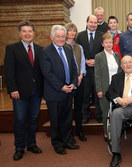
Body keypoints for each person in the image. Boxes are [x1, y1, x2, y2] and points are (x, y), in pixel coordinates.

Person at [4, 20, 43, 161]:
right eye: (24, 31)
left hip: (36, 92)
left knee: (33, 119)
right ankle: (19, 147)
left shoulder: (40, 49)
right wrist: (12, 89)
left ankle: (31, 144)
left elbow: (41, 72)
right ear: (20, 33)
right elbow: (9, 71)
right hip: (19, 93)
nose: (27, 34)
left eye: (30, 31)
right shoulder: (12, 48)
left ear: (34, 33)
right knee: (20, 120)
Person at [40, 25, 79, 155]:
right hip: (54, 92)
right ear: (52, 37)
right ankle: (57, 144)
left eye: (63, 36)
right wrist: (61, 86)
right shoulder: (45, 51)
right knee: (56, 120)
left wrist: (73, 84)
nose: (61, 39)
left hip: (69, 91)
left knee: (67, 118)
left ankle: (67, 140)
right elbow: (48, 73)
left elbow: (74, 69)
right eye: (58, 36)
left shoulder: (68, 50)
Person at [76, 15, 104, 123]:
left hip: (98, 70)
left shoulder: (102, 36)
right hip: (85, 70)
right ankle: (85, 116)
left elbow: (104, 51)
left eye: (95, 22)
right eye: (91, 22)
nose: (93, 24)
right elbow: (78, 52)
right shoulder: (80, 36)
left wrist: (96, 61)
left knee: (98, 94)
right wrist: (86, 61)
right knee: (85, 94)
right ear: (87, 22)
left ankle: (99, 115)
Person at [94, 33, 122, 141]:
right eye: (106, 42)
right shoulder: (99, 56)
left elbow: (120, 71)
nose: (109, 44)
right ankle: (106, 132)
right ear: (102, 44)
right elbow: (97, 74)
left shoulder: (117, 55)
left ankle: (116, 131)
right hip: (104, 87)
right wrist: (99, 90)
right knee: (106, 111)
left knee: (117, 110)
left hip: (116, 88)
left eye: (110, 42)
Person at [64, 23, 87, 142]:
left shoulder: (79, 47)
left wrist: (81, 75)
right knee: (68, 109)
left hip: (79, 81)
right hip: (67, 82)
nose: (72, 33)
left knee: (79, 108)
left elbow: (82, 62)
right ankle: (69, 135)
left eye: (74, 30)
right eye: (70, 30)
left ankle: (79, 131)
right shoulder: (62, 46)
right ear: (66, 32)